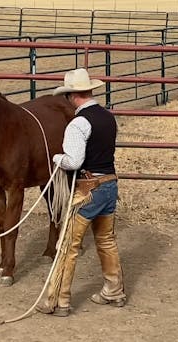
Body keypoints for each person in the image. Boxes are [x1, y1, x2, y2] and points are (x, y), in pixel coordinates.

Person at [36, 68, 126, 317]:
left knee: (68, 245)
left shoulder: (78, 123)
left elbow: (74, 161)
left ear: (71, 96)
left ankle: (58, 300)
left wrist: (57, 158)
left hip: (88, 189)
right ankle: (113, 290)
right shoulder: (108, 117)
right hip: (109, 185)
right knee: (106, 240)